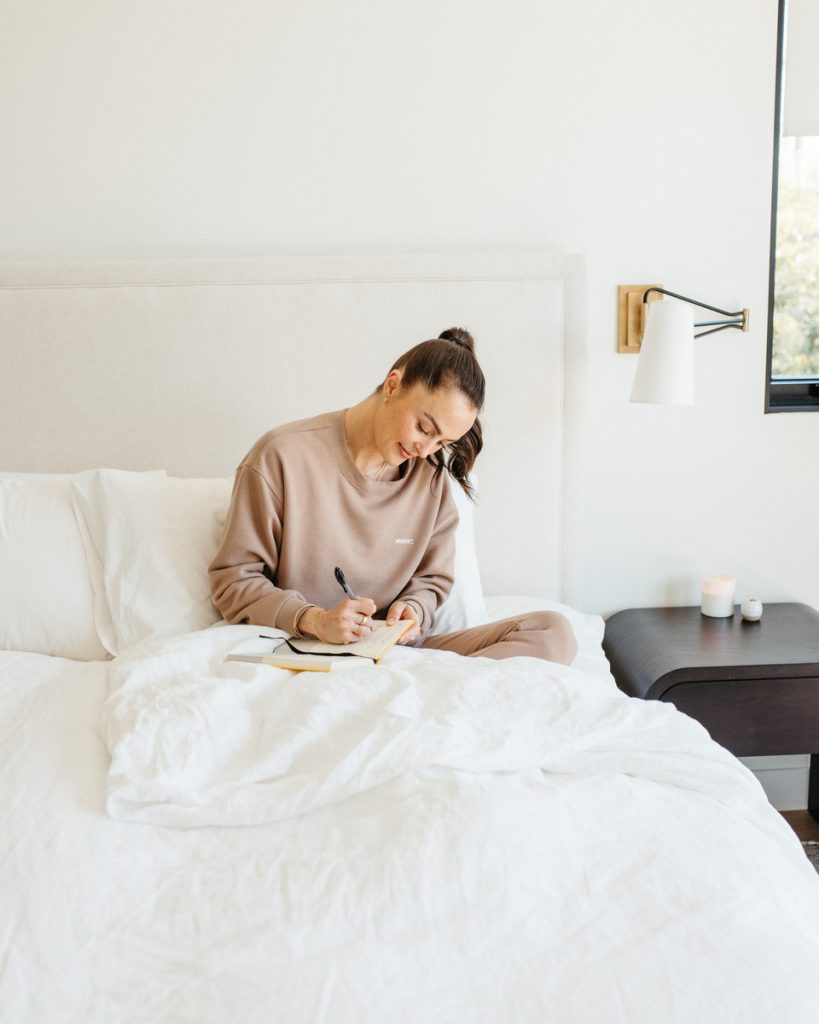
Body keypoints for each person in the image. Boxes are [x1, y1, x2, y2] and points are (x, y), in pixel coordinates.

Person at [208, 328, 577, 665]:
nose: (425, 449)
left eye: (442, 442)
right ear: (392, 385)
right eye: (423, 428)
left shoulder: (431, 481)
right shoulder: (281, 456)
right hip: (307, 655)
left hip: (401, 659)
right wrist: (315, 620)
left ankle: (420, 695)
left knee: (552, 631)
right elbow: (234, 581)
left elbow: (432, 581)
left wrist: (414, 609)